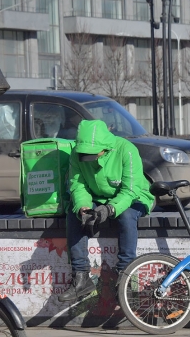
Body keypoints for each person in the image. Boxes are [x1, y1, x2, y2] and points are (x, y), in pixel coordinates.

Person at [58, 119, 154, 303]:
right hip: (97, 197)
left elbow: (131, 190)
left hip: (135, 197)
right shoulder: (76, 154)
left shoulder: (126, 149)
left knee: (126, 216)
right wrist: (84, 207)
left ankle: (125, 276)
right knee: (74, 214)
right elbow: (78, 186)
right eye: (84, 153)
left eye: (92, 153)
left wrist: (110, 209)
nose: (88, 157)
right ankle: (81, 278)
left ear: (106, 147)